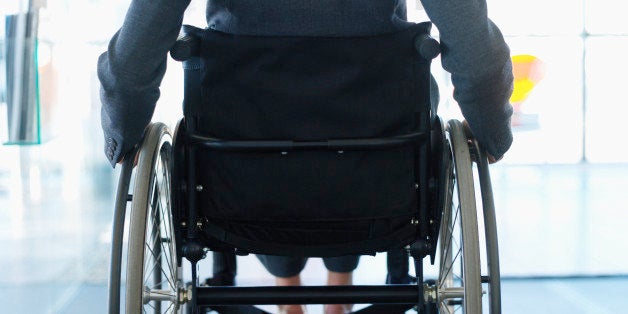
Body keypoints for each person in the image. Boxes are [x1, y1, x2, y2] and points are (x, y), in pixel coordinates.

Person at [98, 1, 513, 313]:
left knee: (260, 115)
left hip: (242, 164)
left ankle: (287, 285)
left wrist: (124, 134)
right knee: (363, 111)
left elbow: (136, 52)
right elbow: (476, 49)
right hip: (384, 166)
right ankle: (339, 283)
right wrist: (491, 133)